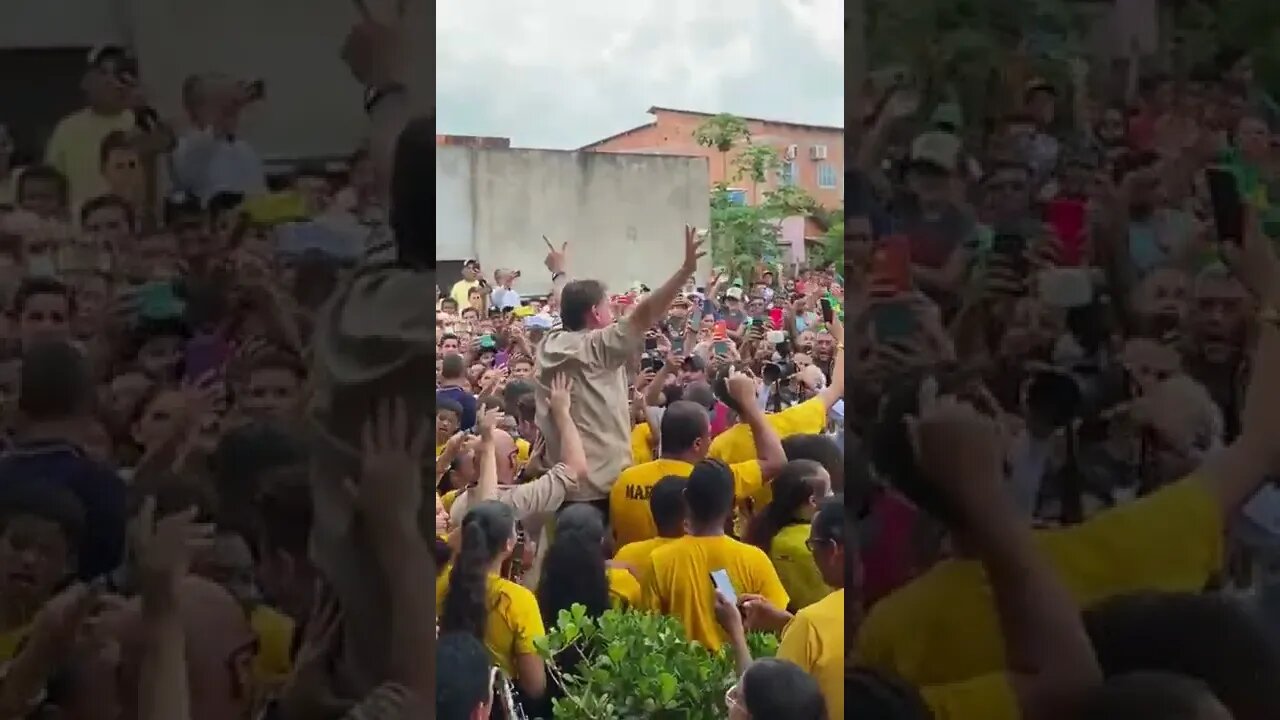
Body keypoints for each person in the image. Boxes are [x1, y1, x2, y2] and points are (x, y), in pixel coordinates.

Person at [535, 225, 705, 514]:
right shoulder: (600, 346)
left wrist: (559, 273)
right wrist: (685, 271)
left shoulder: (550, 344)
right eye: (608, 306)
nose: (613, 312)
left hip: (564, 487)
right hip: (601, 492)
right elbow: (644, 314)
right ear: (595, 314)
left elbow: (566, 300)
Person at [640, 459, 789, 650]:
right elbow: (778, 625)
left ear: (685, 498)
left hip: (678, 675)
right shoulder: (756, 560)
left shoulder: (659, 561)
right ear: (733, 503)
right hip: (739, 672)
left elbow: (647, 633)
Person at [744, 459, 834, 611]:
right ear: (812, 501)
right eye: (829, 491)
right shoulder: (818, 545)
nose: (833, 495)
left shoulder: (765, 534)